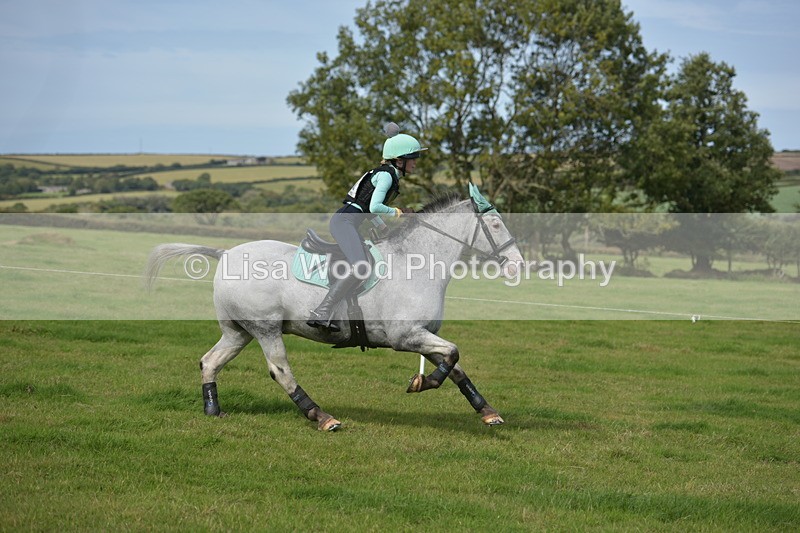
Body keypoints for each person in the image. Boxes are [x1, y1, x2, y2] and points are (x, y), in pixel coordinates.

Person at [306, 123, 426, 332]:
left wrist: (383, 229)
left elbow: (368, 210)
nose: (416, 163)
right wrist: (400, 212)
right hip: (344, 222)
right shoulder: (387, 176)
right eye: (413, 158)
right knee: (361, 266)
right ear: (399, 161)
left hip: (349, 220)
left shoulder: (387, 174)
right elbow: (375, 207)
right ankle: (321, 311)